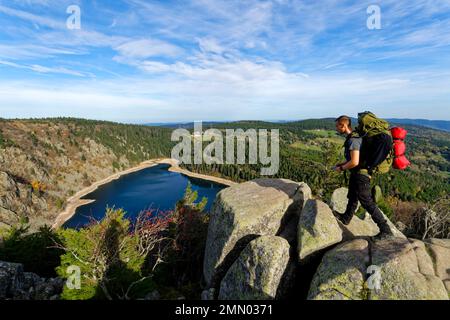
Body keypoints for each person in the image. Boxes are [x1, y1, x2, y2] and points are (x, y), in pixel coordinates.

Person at [333, 115, 394, 237]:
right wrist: (344, 163)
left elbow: (355, 162)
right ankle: (346, 217)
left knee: (366, 201)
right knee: (353, 195)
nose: (336, 129)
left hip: (362, 174)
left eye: (337, 126)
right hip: (358, 172)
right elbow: (357, 159)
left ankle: (386, 229)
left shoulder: (353, 139)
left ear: (343, 126)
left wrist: (341, 168)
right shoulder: (355, 137)